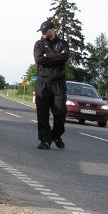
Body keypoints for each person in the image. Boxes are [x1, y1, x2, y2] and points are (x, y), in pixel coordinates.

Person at [33, 20, 69, 149]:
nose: (43, 33)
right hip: (42, 83)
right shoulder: (39, 44)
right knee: (42, 114)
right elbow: (39, 59)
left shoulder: (62, 43)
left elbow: (65, 57)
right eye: (41, 31)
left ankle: (56, 134)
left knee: (60, 112)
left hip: (58, 84)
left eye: (45, 31)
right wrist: (56, 57)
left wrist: (47, 56)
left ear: (53, 30)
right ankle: (45, 140)